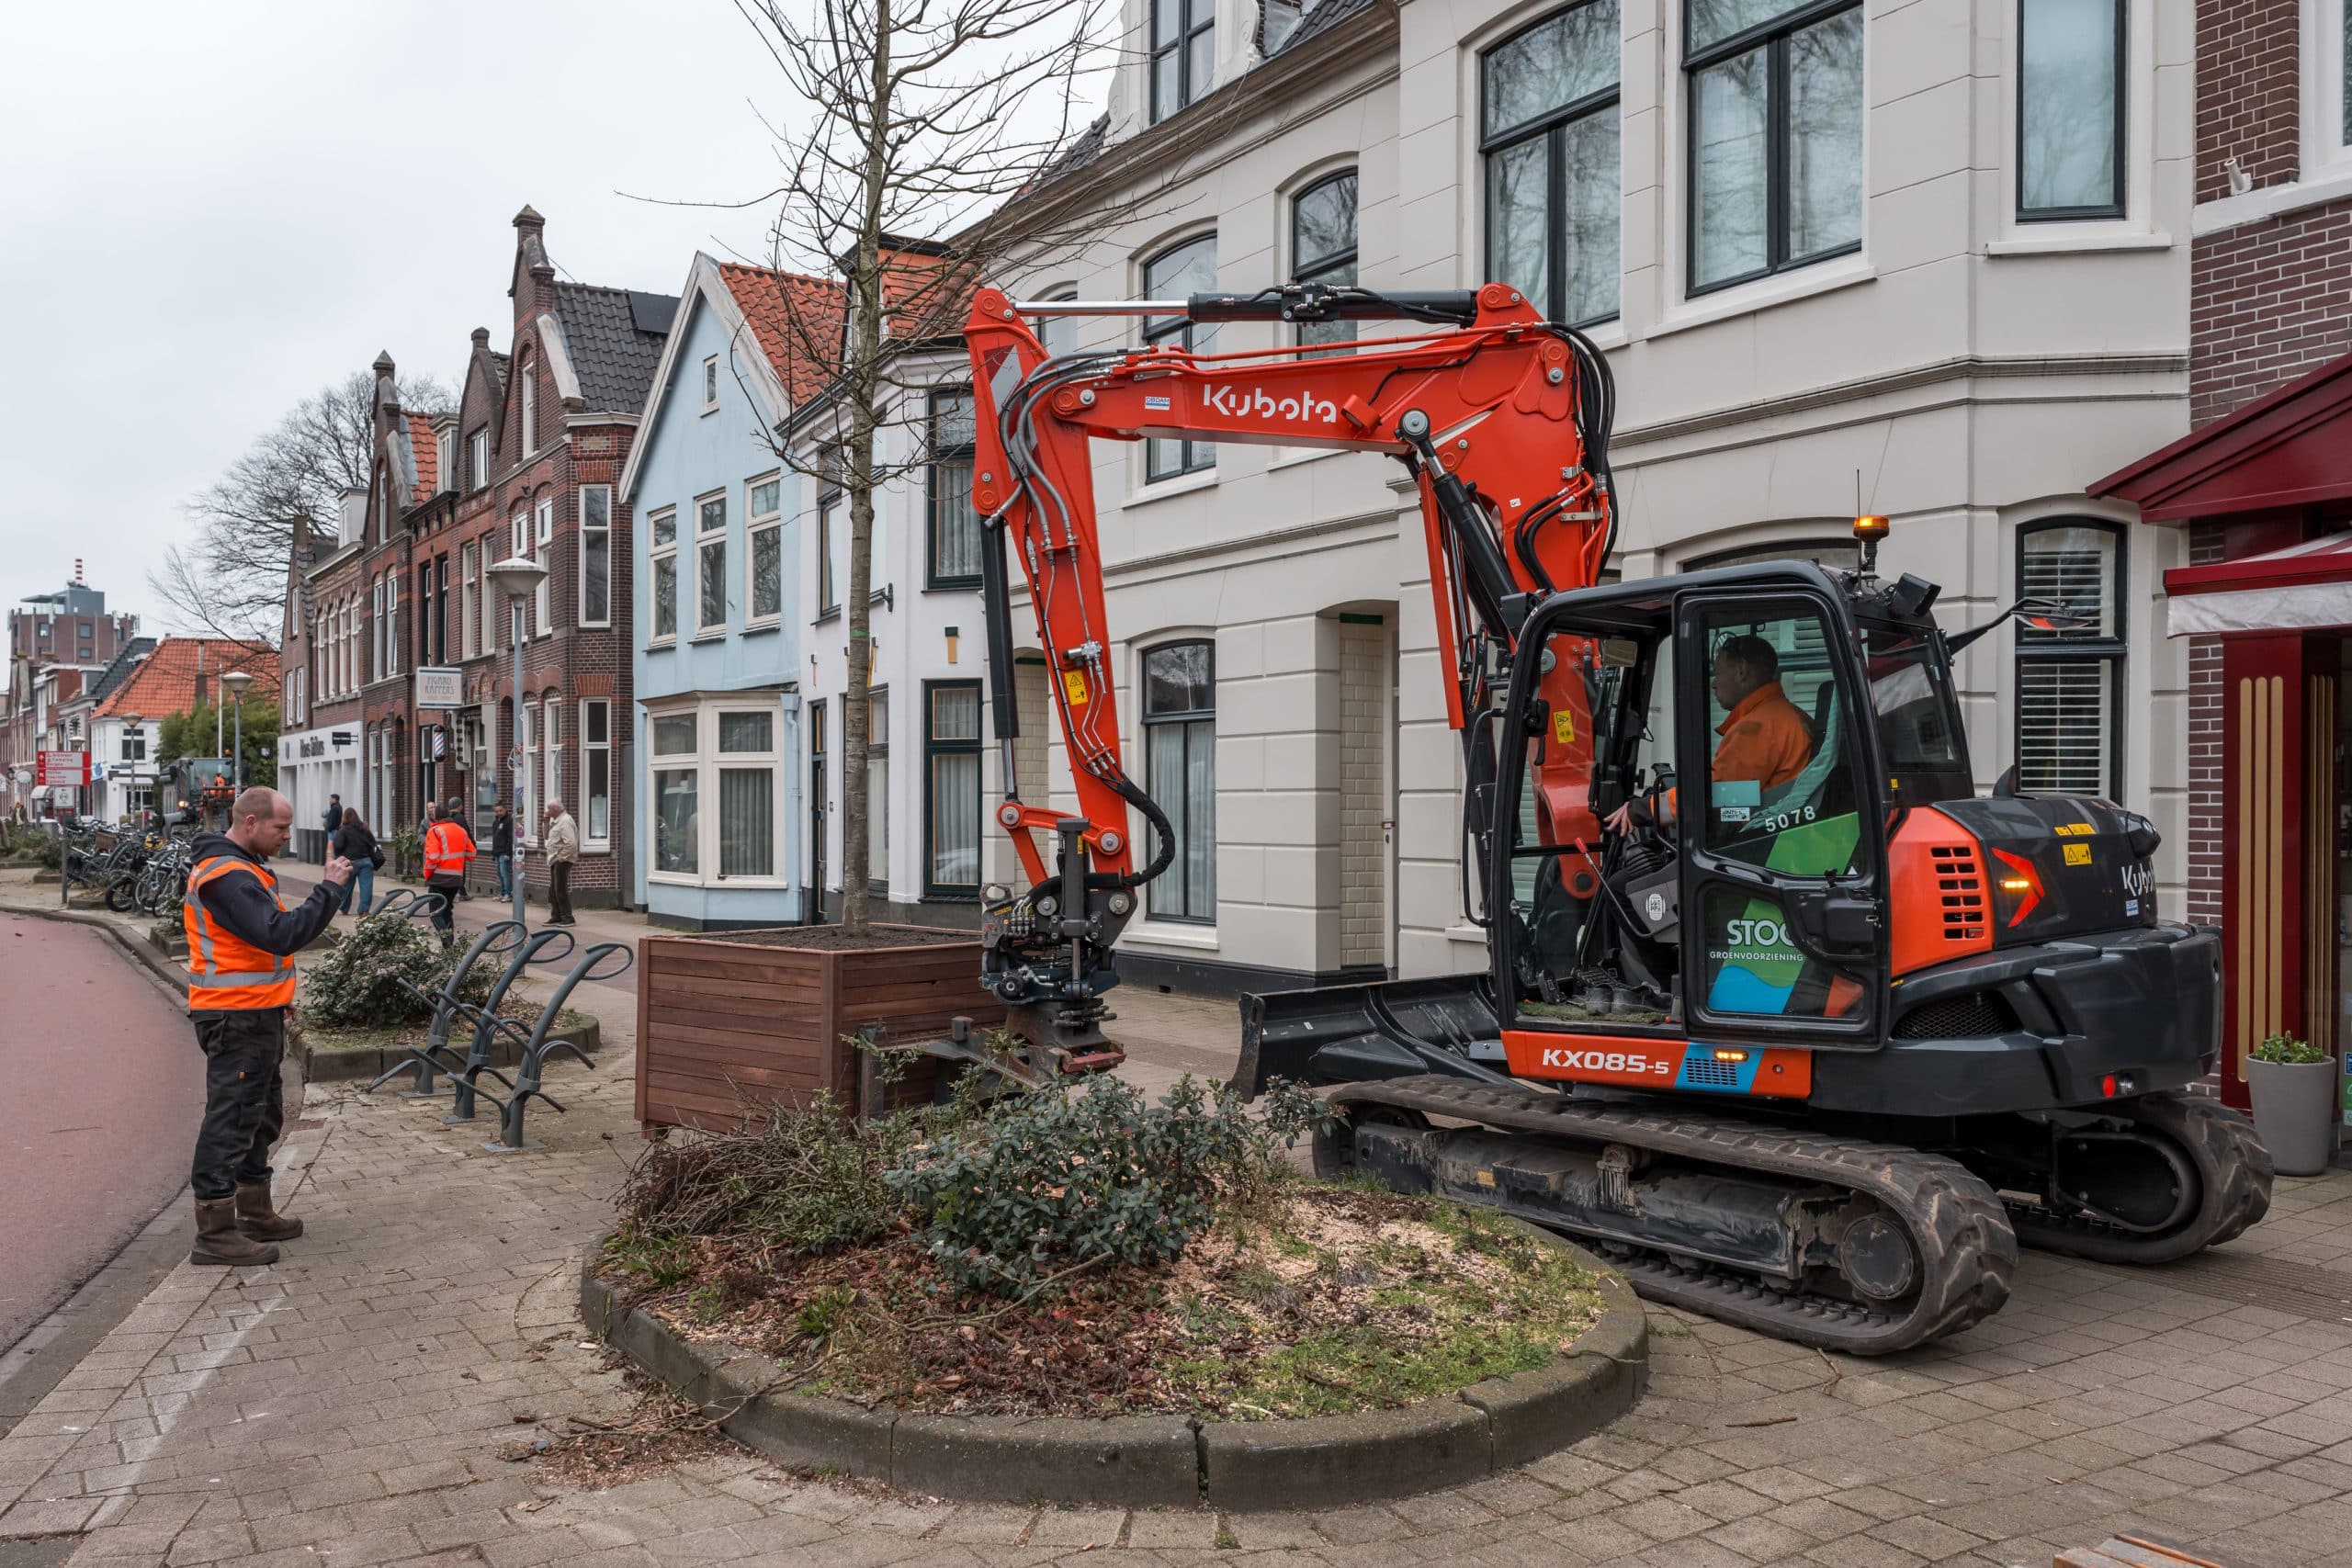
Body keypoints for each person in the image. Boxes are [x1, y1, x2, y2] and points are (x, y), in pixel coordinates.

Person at [183, 787, 349, 1266]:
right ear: (251, 823)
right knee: (232, 1118)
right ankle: (214, 1233)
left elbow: (257, 949)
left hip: (255, 1011)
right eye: (280, 827)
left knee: (260, 1113)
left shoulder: (242, 868)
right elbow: (281, 933)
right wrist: (330, 890)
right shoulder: (228, 876)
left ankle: (254, 1210)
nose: (287, 835)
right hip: (234, 1016)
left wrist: (278, 998)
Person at [1604, 635, 1813, 836]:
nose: (1713, 683)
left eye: (1718, 672)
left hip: (1752, 840)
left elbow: (1717, 795)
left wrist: (1644, 809)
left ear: (1741, 672)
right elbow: (1740, 791)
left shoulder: (1756, 727)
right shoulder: (1789, 714)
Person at [421, 803, 474, 947]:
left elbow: (432, 857)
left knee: (435, 912)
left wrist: (427, 874)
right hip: (456, 879)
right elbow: (471, 854)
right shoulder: (461, 831)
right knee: (447, 911)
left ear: (436, 816)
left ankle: (447, 943)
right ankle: (449, 944)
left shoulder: (435, 831)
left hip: (438, 879)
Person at [332, 808, 379, 916]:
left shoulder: (343, 830)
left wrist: (340, 855)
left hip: (350, 862)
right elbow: (372, 843)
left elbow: (338, 846)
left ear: (345, 817)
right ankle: (364, 910)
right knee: (366, 887)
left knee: (347, 886)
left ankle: (344, 907)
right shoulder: (365, 828)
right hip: (366, 861)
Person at [543, 799, 579, 924]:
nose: (547, 811)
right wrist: (546, 822)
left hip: (562, 859)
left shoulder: (565, 821)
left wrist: (561, 857)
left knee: (560, 889)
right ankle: (556, 915)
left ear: (555, 810)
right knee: (553, 889)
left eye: (549, 809)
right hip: (555, 859)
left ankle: (567, 917)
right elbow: (546, 836)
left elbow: (571, 843)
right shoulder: (556, 821)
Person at [491, 802, 514, 900]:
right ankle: (502, 892)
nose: (499, 813)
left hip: (504, 852)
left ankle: (508, 893)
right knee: (499, 873)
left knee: (504, 873)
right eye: (497, 811)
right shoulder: (496, 822)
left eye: (501, 810)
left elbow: (510, 838)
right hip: (497, 852)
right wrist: (493, 852)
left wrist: (508, 853)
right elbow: (494, 838)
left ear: (505, 809)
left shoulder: (509, 821)